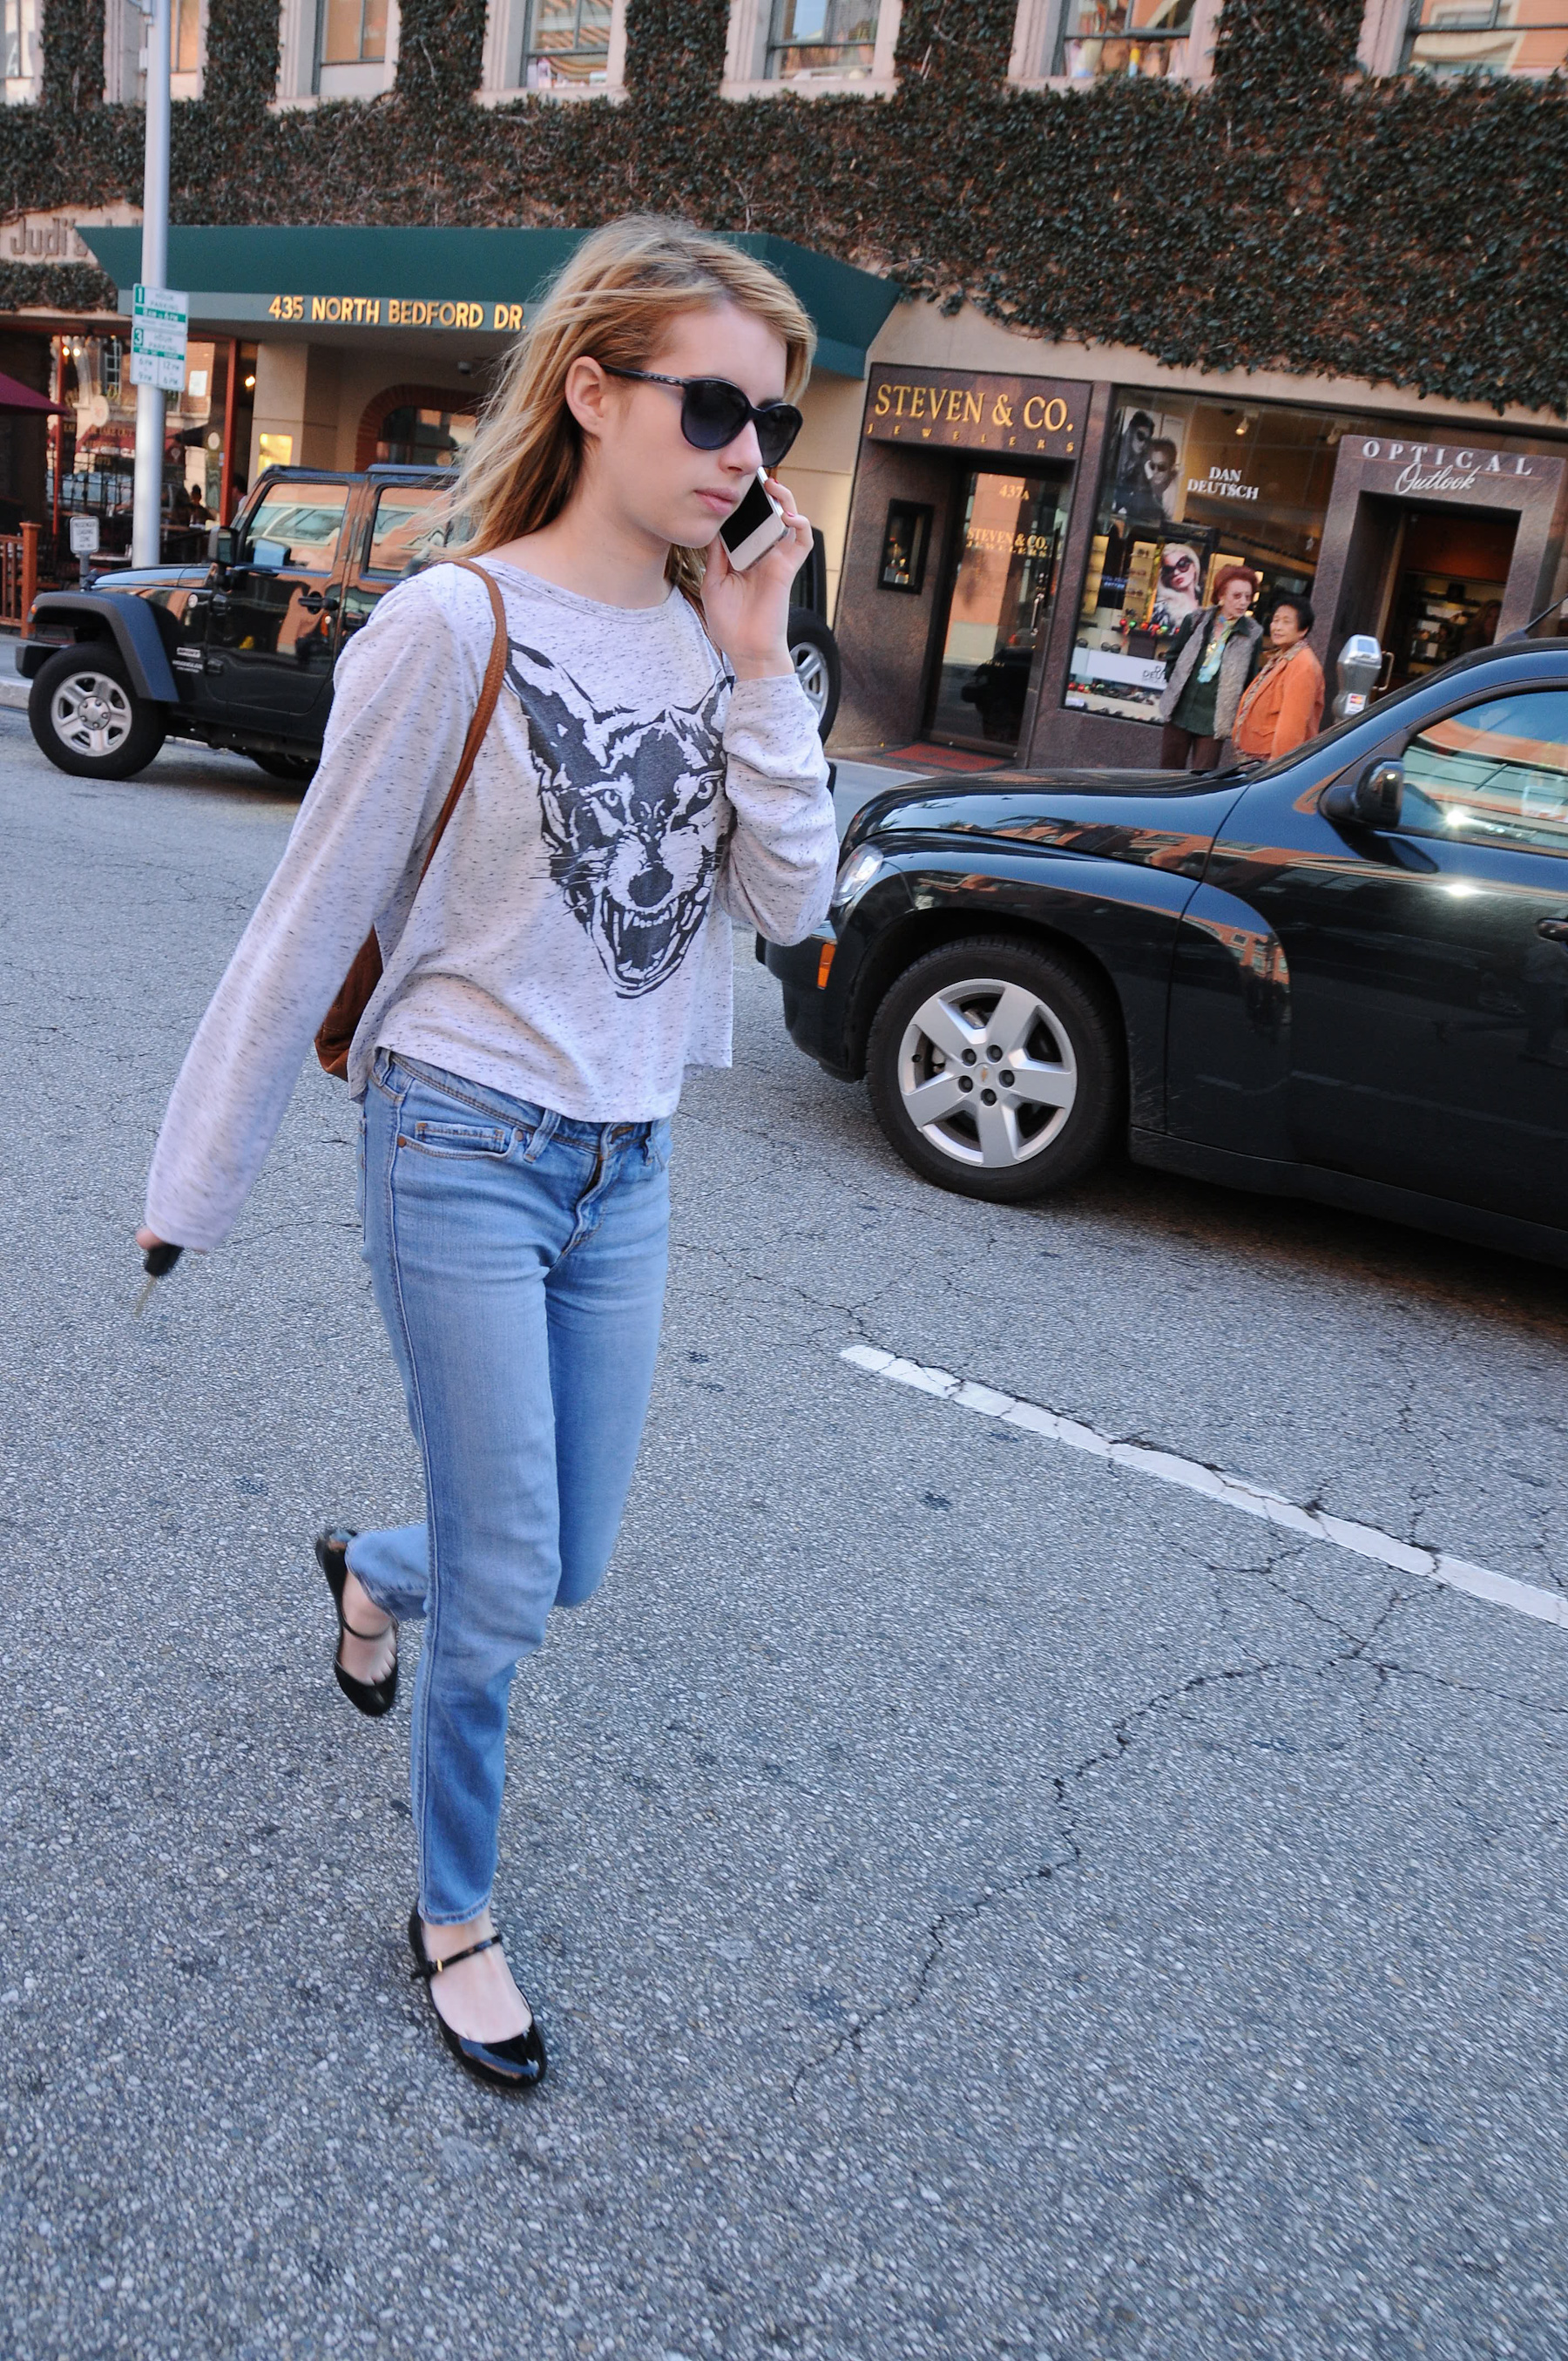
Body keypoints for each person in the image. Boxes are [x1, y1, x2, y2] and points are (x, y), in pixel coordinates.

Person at [134, 216, 839, 2094]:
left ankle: (376, 1567)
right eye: (710, 406)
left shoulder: (718, 643)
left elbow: (795, 903)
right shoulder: (452, 625)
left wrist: (760, 663)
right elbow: (308, 914)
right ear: (592, 391)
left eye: (770, 422)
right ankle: (456, 1913)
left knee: (565, 1557)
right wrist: (194, 1181)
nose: (744, 453)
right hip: (459, 1131)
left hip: (631, 1158)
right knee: (513, 1585)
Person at [1159, 564, 1263, 770]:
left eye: (1248, 597)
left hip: (1213, 721)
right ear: (1221, 595)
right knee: (1167, 774)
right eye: (1237, 596)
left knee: (1202, 778)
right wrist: (1176, 685)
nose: (1243, 602)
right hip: (1179, 711)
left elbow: (1250, 683)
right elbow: (1173, 657)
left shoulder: (1252, 634)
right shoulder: (1196, 620)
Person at [1230, 594, 1325, 762]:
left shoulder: (1303, 665)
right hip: (1254, 758)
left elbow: (1292, 726)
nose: (1277, 627)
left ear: (1303, 630)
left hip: (1269, 762)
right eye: (1275, 620)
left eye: (1286, 622)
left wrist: (1277, 767)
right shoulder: (1283, 656)